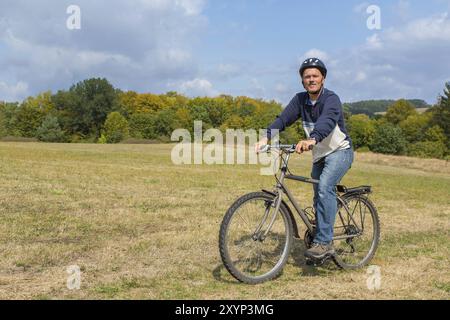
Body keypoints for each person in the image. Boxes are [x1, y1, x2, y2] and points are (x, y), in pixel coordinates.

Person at [255, 58, 354, 260]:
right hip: (320, 155)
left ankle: (324, 243)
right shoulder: (300, 100)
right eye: (307, 76)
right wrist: (266, 137)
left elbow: (326, 122)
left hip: (340, 152)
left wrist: (312, 139)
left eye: (315, 76)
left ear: (323, 78)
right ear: (302, 81)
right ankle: (319, 236)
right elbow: (283, 119)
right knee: (318, 195)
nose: (311, 79)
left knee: (325, 186)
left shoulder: (331, 99)